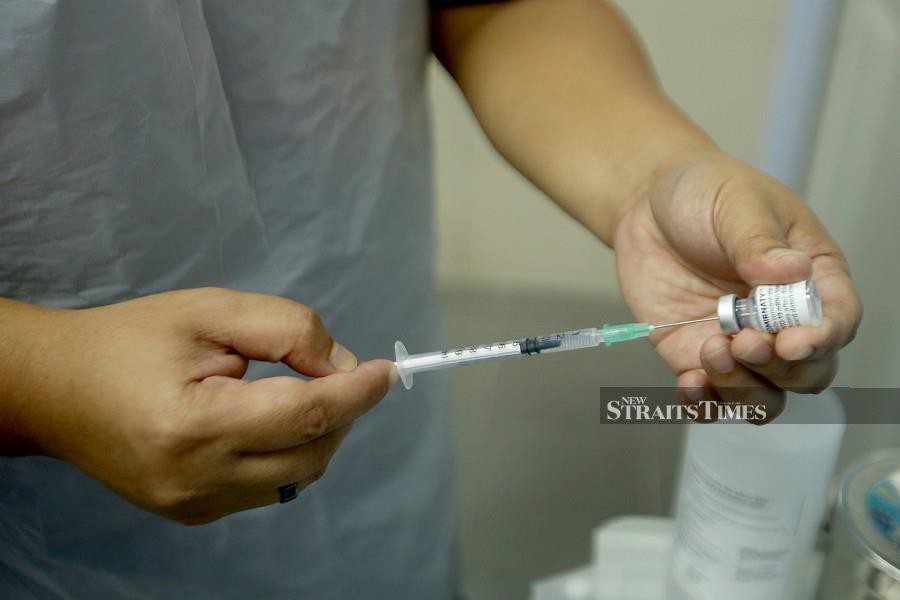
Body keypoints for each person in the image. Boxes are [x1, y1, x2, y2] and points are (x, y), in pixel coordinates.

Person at [0, 0, 862, 597]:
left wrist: (652, 182)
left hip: (372, 455)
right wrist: (40, 382)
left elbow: (492, 7)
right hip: (56, 532)